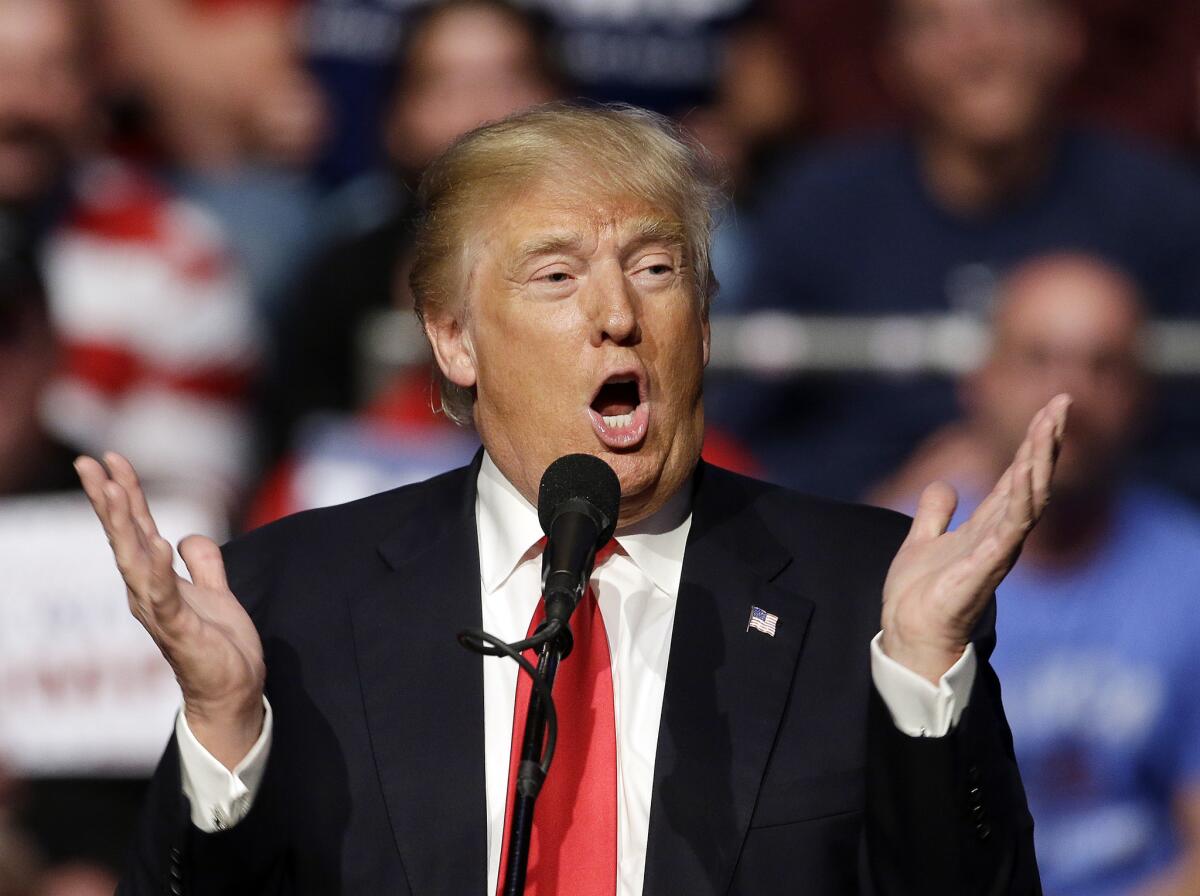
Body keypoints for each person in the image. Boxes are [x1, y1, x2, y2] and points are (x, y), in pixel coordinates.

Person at [77, 104, 1065, 894]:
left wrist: (925, 689)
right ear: (454, 338)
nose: (617, 315)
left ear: (705, 322)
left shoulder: (870, 597)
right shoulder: (292, 599)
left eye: (656, 268)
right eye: (557, 274)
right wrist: (221, 729)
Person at [724, 0, 1200, 503]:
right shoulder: (820, 206)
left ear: (1068, 37)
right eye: (939, 26)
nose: (980, 50)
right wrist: (874, 514)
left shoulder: (1158, 206)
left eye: (1009, 17)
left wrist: (1070, 492)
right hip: (865, 542)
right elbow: (743, 434)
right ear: (893, 59)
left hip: (1107, 544)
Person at [878, 253, 1200, 896]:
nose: (1067, 398)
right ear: (979, 379)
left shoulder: (1190, 577)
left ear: (1142, 395)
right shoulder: (899, 556)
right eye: (1038, 358)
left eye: (1102, 365)